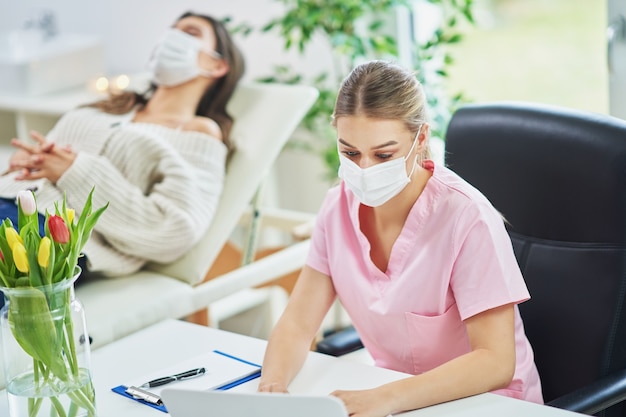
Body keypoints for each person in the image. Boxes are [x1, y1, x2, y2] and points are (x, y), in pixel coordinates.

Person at [258, 60, 543, 416]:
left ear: (420, 138)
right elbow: (298, 324)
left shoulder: (466, 217)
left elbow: (495, 362)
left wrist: (387, 398)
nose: (364, 169)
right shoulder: (337, 209)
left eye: (383, 154)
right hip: (402, 402)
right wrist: (270, 390)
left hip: (489, 405)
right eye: (350, 152)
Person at [0, 11, 245, 282]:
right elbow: (50, 162)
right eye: (170, 31)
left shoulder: (200, 133)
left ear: (217, 65)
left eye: (190, 32)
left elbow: (175, 230)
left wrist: (75, 172)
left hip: (51, 233)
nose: (172, 38)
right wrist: (25, 161)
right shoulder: (105, 109)